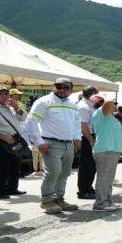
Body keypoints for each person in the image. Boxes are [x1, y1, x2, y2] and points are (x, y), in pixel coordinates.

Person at [25, 77, 82, 214]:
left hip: (68, 144)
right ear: (54, 87)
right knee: (53, 172)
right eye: (58, 86)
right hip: (50, 143)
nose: (61, 90)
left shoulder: (72, 104)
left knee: (65, 173)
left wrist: (77, 139)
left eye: (65, 87)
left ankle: (59, 199)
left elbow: (76, 123)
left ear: (71, 90)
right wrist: (39, 142)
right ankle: (47, 201)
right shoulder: (44, 101)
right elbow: (31, 121)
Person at [0, 85, 26, 199]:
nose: (4, 96)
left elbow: (24, 118)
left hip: (15, 140)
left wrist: (16, 107)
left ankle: (11, 188)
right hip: (1, 141)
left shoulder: (10, 107)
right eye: (0, 93)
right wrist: (4, 137)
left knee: (14, 164)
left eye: (6, 93)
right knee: (1, 167)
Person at [89, 95, 122, 211]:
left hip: (111, 150)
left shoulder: (109, 116)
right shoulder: (100, 113)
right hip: (105, 150)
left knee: (108, 179)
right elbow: (109, 102)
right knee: (104, 178)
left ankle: (108, 202)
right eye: (113, 104)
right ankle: (100, 204)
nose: (114, 105)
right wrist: (108, 98)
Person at [76, 86, 98, 200]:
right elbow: (83, 127)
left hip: (91, 136)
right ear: (91, 94)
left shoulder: (90, 106)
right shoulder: (83, 107)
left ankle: (88, 187)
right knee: (86, 165)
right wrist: (91, 140)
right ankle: (83, 190)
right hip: (87, 137)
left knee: (92, 165)